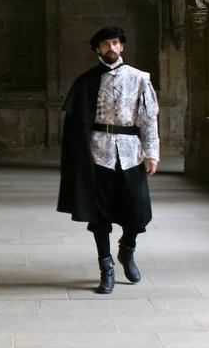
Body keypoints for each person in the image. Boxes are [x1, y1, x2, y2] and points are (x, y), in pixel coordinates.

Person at [57, 25, 160, 294]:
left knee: (137, 212)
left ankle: (127, 249)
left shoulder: (139, 79)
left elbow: (148, 119)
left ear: (122, 47)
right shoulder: (86, 81)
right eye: (105, 44)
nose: (111, 48)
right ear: (97, 49)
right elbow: (76, 123)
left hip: (130, 152)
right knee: (99, 214)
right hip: (98, 153)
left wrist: (152, 153)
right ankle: (107, 267)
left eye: (116, 43)